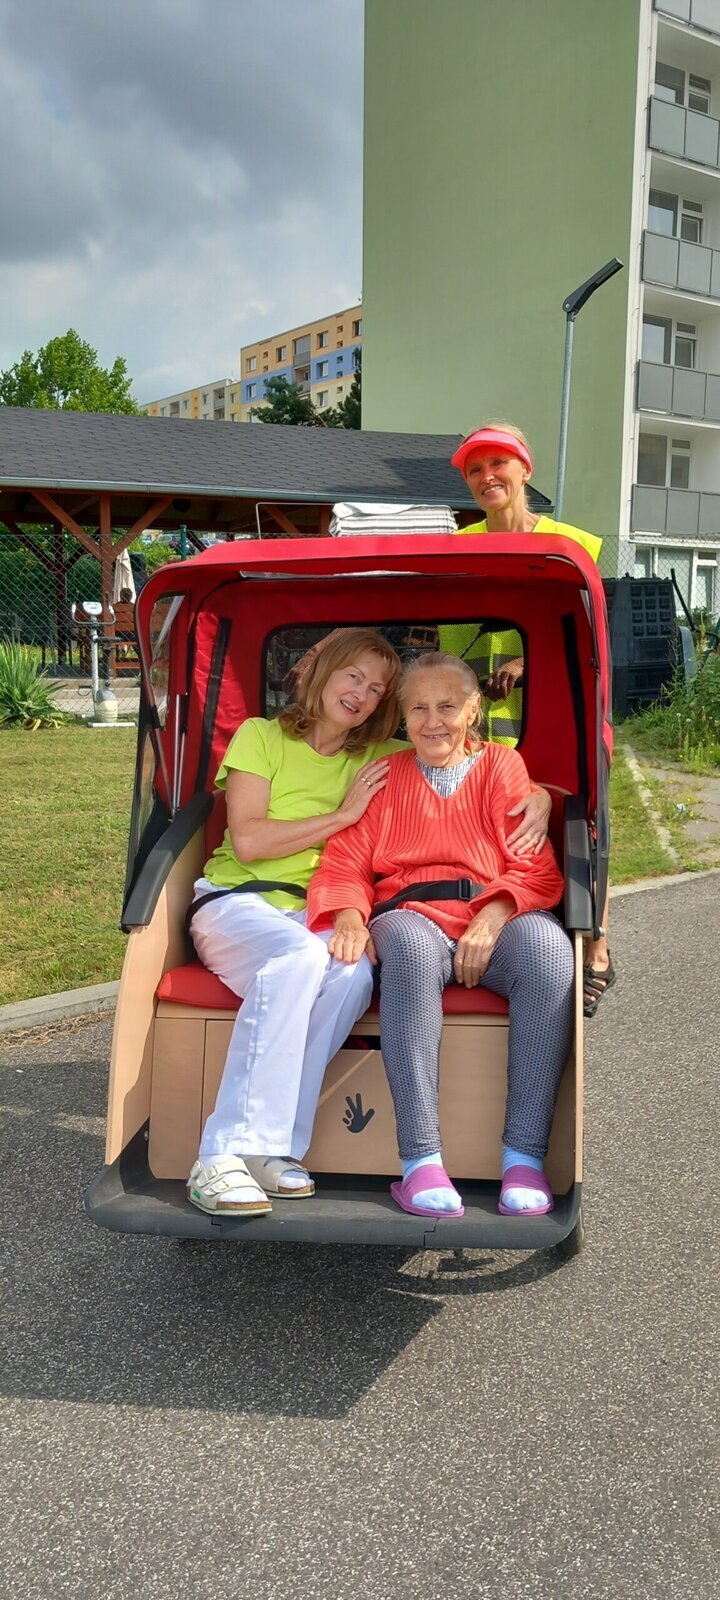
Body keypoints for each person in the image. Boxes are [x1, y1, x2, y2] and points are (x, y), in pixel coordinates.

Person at [307, 652, 574, 1220]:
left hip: (494, 913)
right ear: (403, 717)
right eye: (419, 709)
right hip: (411, 915)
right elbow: (346, 859)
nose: (433, 722)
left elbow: (535, 864)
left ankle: (524, 1157)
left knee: (550, 952)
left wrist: (494, 914)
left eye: (448, 706)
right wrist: (349, 914)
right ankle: (421, 1161)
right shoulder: (385, 775)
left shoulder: (502, 765)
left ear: (473, 710)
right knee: (406, 945)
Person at [186, 627, 404, 1217]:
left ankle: (270, 1147)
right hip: (238, 901)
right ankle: (219, 1153)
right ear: (323, 672)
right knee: (301, 957)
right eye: (354, 676)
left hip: (313, 911)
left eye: (377, 689)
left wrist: (538, 797)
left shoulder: (379, 757)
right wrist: (343, 816)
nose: (362, 694)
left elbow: (463, 755)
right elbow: (250, 841)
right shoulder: (261, 736)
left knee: (352, 975)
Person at [444, 421, 614, 1017]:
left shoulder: (576, 544)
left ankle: (596, 944)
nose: (487, 477)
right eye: (475, 469)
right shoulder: (457, 546)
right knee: (500, 819)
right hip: (482, 713)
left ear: (525, 470)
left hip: (560, 705)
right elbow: (446, 635)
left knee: (582, 815)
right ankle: (512, 929)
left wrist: (525, 661)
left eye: (498, 464)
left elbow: (592, 640)